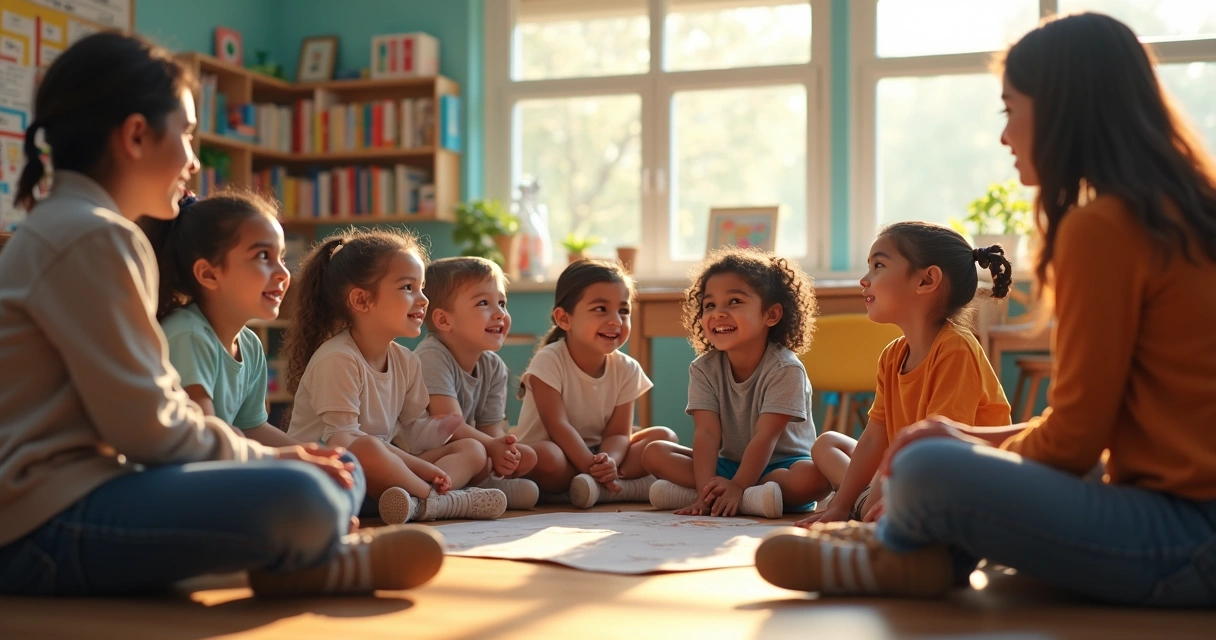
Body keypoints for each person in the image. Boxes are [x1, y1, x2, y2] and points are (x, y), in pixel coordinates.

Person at [755, 13, 1216, 606]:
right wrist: (968, 436)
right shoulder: (1185, 213)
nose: (1005, 137)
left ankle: (901, 549)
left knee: (927, 471)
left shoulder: (1104, 229)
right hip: (1185, 518)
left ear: (1060, 109)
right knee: (934, 451)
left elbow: (1074, 443)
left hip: (1187, 537)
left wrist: (958, 448)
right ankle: (930, 548)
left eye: (1009, 110)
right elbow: (1098, 431)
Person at [0, 32, 442, 597]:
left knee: (337, 471)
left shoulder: (73, 227)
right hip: (41, 524)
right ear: (136, 135)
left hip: (73, 498)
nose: (192, 159)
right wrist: (271, 460)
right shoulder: (94, 235)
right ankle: (321, 564)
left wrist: (285, 458)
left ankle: (292, 557)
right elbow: (150, 429)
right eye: (185, 134)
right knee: (305, 493)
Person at [796, 222, 1012, 526]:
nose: (864, 279)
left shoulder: (957, 350)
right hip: (910, 467)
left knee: (904, 471)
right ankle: (864, 503)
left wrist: (880, 493)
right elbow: (874, 437)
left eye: (878, 266)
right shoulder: (892, 355)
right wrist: (839, 507)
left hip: (958, 479)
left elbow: (940, 449)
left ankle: (873, 504)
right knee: (826, 443)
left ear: (926, 280)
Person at [644, 247, 829, 518]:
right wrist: (703, 490)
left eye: (734, 302)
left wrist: (739, 485)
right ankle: (731, 497)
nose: (718, 313)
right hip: (729, 464)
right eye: (710, 305)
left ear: (772, 315)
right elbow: (706, 434)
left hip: (782, 466)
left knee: (814, 479)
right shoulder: (703, 368)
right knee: (655, 452)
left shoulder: (786, 369)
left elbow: (765, 437)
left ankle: (741, 495)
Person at [517, 259, 676, 508]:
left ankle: (594, 487)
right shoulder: (549, 360)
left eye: (624, 311)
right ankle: (613, 487)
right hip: (558, 452)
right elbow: (558, 426)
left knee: (664, 437)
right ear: (564, 318)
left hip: (599, 451)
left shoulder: (627, 368)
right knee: (545, 457)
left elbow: (618, 433)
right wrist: (590, 466)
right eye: (601, 309)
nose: (616, 320)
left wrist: (609, 460)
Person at [415, 256, 540, 509]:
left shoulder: (493, 366)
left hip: (467, 452)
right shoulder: (431, 356)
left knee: (527, 461)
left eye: (502, 303)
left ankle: (468, 491)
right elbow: (449, 427)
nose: (500, 314)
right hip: (420, 457)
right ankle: (425, 499)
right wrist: (491, 447)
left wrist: (505, 451)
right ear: (444, 320)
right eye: (484, 303)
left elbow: (492, 431)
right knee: (475, 451)